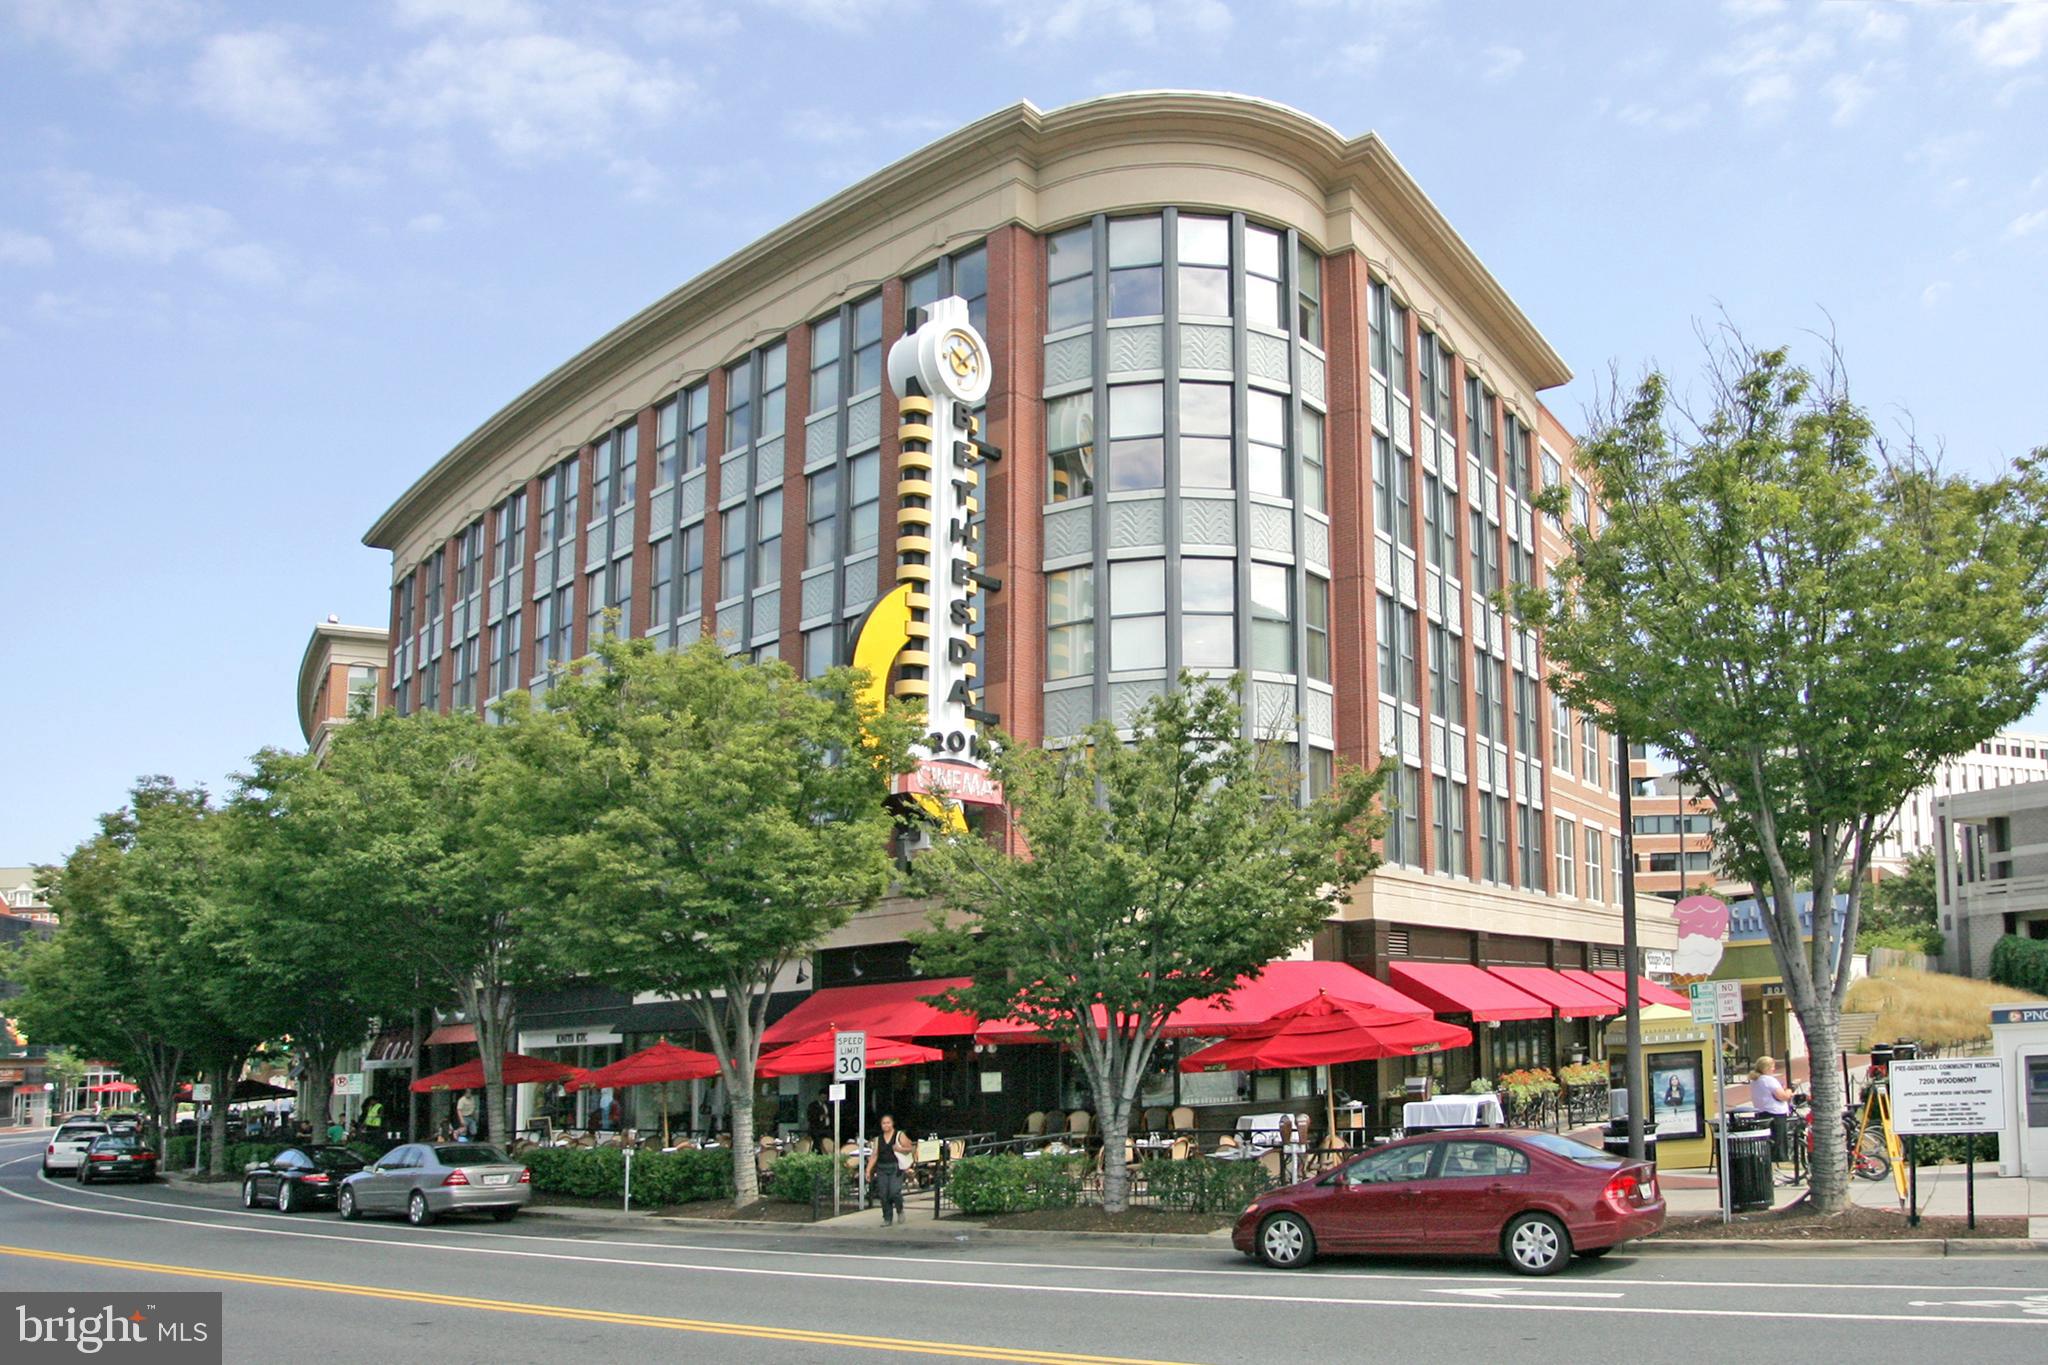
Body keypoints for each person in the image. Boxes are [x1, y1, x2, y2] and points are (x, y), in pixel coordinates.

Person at [863, 1113, 913, 1227]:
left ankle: (900, 1210)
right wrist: (868, 1170)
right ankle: (887, 1218)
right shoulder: (878, 1139)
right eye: (884, 1123)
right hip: (882, 1168)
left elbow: (910, 1148)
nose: (886, 1125)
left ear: (892, 1123)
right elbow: (874, 1155)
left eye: (888, 1123)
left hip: (895, 1167)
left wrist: (900, 1149)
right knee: (883, 1194)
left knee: (894, 1192)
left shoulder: (899, 1135)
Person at [1751, 1054, 1795, 1162]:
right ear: (1766, 1068)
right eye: (1772, 1067)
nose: (1774, 1069)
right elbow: (1782, 1097)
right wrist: (1789, 1091)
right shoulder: (1769, 1080)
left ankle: (1767, 1160)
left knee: (1769, 1140)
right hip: (1775, 1114)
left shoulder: (1756, 1080)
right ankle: (1778, 1161)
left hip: (1762, 1112)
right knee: (1778, 1141)